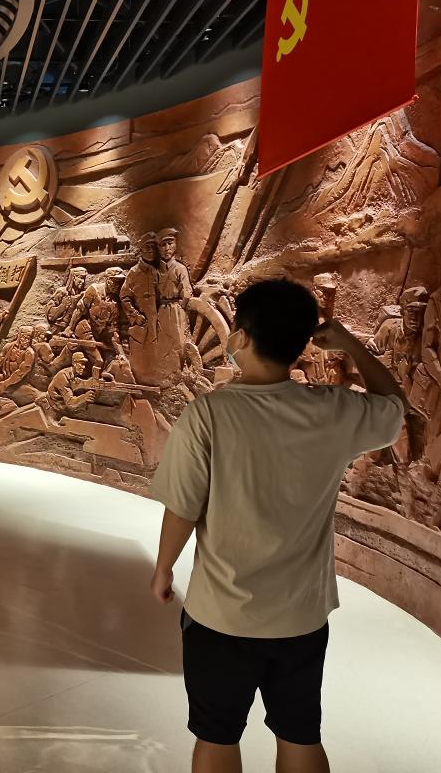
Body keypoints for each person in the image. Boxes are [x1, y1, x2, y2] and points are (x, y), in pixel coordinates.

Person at [149, 279, 406, 773]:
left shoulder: (208, 414)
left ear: (241, 337)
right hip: (301, 616)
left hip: (221, 615)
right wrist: (351, 345)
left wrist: (163, 568)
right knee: (300, 736)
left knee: (216, 739)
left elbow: (182, 508)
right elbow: (395, 405)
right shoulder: (332, 410)